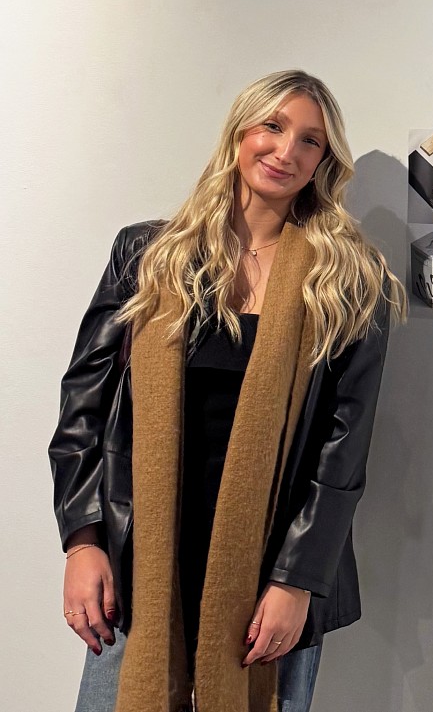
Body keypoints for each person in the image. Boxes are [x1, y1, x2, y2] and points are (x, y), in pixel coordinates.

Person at [51, 70, 406, 712]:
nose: (286, 151)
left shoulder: (349, 279)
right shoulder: (149, 255)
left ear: (325, 161)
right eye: (272, 126)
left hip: (270, 569)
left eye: (310, 141)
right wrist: (83, 539)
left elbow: (343, 451)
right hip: (144, 557)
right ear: (239, 134)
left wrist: (297, 581)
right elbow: (84, 409)